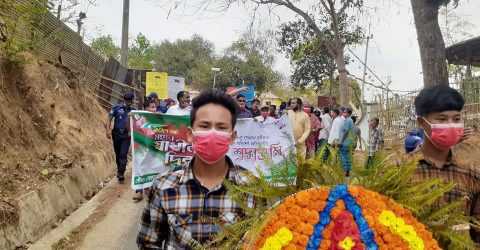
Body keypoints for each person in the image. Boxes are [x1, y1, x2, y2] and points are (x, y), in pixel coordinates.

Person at [137, 90, 255, 249]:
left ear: (232, 137)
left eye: (221, 127)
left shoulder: (252, 189)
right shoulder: (164, 186)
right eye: (205, 126)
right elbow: (149, 244)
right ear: (190, 134)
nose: (212, 133)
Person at [411, 85, 479, 242]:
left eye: (456, 119)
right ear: (422, 122)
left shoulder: (471, 174)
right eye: (441, 119)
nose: (451, 125)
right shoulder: (398, 171)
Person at [106, 92, 135, 183]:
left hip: (127, 135)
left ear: (132, 101)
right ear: (124, 100)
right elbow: (109, 118)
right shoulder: (116, 108)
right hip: (116, 134)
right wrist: (108, 130)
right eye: (127, 101)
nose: (128, 103)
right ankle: (119, 170)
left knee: (123, 154)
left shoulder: (133, 111)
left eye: (130, 101)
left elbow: (137, 122)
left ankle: (121, 173)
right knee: (118, 154)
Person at [133, 99, 157, 202]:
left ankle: (149, 191)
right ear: (145, 108)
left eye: (155, 107)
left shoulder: (158, 120)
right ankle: (139, 192)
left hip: (153, 149)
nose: (154, 109)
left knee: (151, 169)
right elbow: (134, 132)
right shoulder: (139, 120)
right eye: (152, 107)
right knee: (139, 169)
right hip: (141, 149)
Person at [338, 108, 354, 176]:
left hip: (345, 142)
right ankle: (348, 171)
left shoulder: (348, 120)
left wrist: (341, 141)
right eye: (343, 112)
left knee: (343, 156)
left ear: (348, 113)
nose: (343, 113)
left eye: (345, 112)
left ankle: (345, 170)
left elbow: (346, 132)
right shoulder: (350, 120)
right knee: (347, 156)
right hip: (348, 141)